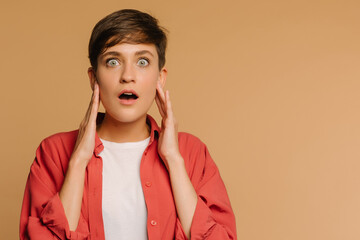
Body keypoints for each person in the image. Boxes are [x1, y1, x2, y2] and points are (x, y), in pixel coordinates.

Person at [19, 9, 237, 240]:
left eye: (142, 61)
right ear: (94, 78)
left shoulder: (192, 153)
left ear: (160, 78)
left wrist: (174, 160)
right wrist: (78, 162)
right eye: (113, 61)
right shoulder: (54, 152)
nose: (127, 76)